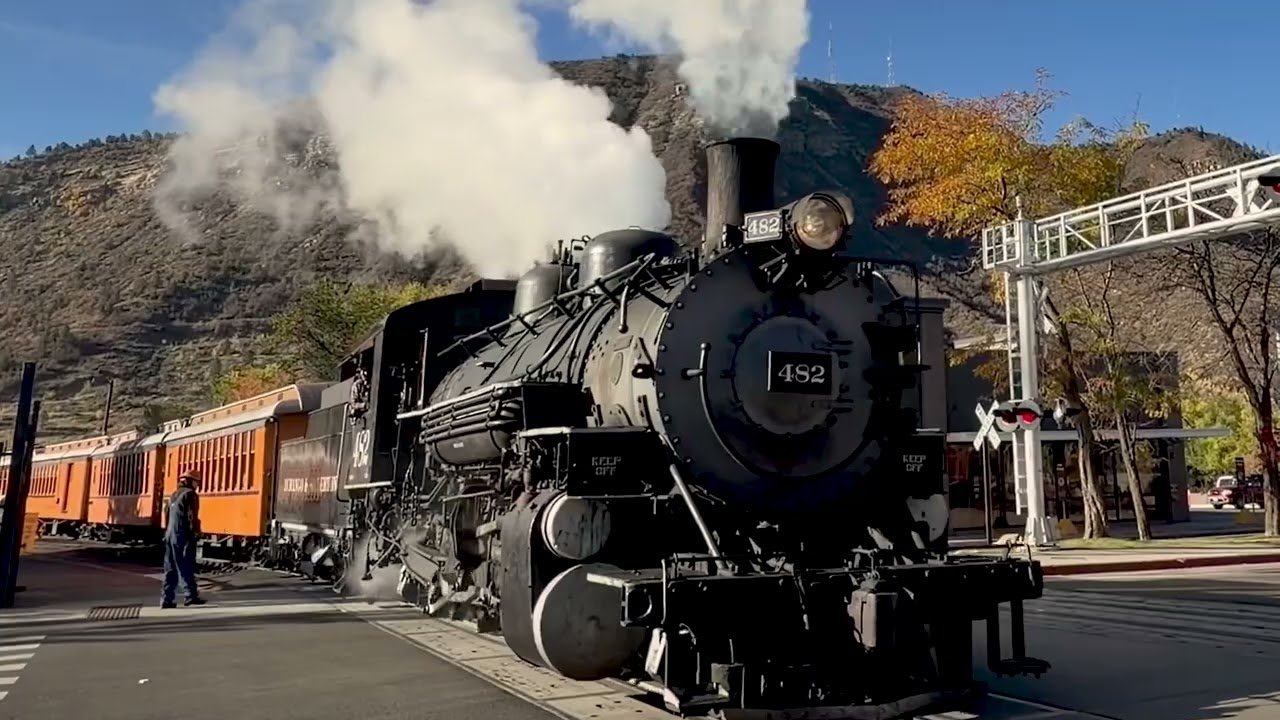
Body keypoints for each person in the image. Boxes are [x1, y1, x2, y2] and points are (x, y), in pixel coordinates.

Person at [161, 471, 206, 609]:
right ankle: (190, 596)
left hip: (170, 534)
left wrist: (168, 532)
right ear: (190, 481)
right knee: (186, 565)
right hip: (183, 534)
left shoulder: (173, 495)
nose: (197, 485)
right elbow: (191, 516)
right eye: (196, 482)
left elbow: (166, 513)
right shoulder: (190, 495)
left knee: (170, 568)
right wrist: (196, 532)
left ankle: (167, 599)